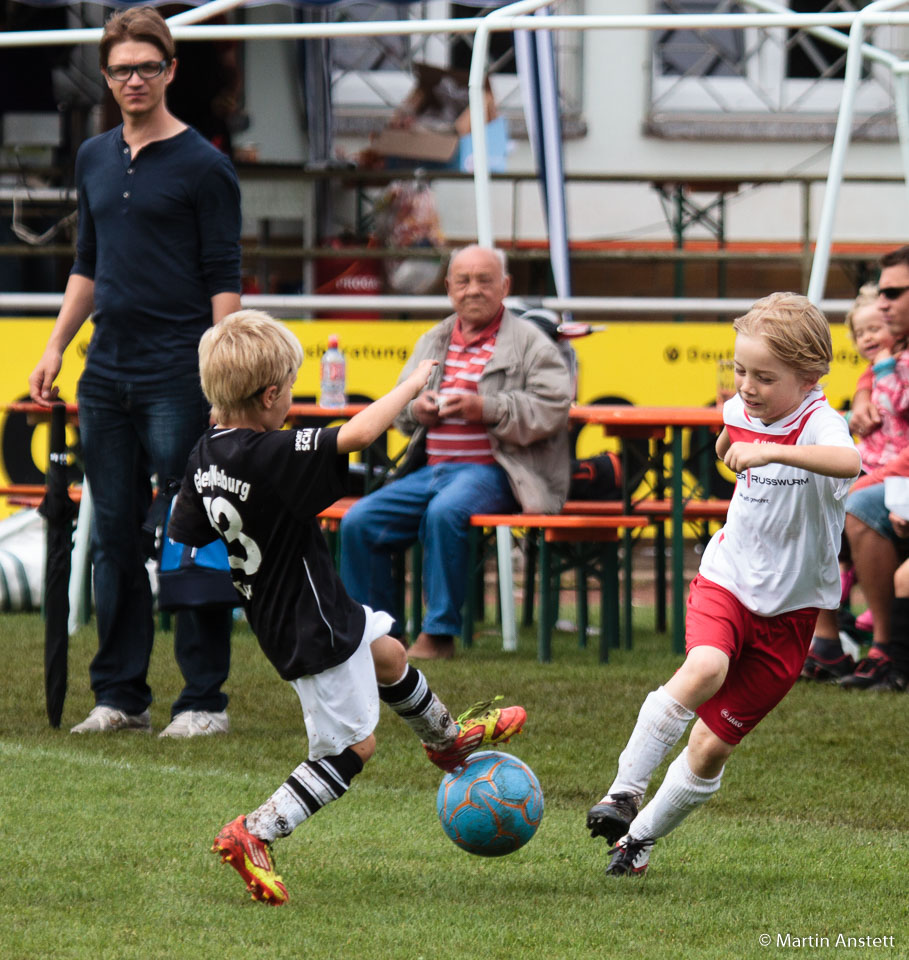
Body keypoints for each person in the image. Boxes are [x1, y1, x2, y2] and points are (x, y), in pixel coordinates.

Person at [167, 310, 527, 905]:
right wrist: (411, 387)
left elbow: (190, 531)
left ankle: (446, 741)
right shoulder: (267, 453)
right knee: (351, 749)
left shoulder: (207, 452)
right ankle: (254, 831)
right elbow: (356, 434)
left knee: (387, 653)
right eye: (288, 389)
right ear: (271, 394)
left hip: (295, 609)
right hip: (312, 623)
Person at [586, 293, 861, 877]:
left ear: (809, 375)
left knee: (710, 748)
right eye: (741, 371)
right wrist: (733, 440)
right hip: (729, 577)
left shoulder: (821, 422)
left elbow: (849, 463)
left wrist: (767, 448)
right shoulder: (743, 408)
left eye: (765, 376)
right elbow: (727, 442)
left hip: (791, 613)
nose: (748, 386)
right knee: (704, 667)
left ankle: (638, 838)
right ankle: (623, 791)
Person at [27, 7, 242, 737]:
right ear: (108, 76)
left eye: (147, 66)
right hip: (104, 373)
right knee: (114, 536)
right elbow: (87, 265)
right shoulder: (92, 157)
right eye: (120, 69)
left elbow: (225, 281)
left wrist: (224, 381)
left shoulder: (207, 166)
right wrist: (57, 346)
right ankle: (119, 695)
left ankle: (203, 699)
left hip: (180, 373)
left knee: (191, 528)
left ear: (170, 70)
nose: (133, 80)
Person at [339, 245, 573, 659]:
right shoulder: (433, 338)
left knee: (445, 511)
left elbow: (553, 408)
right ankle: (380, 636)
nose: (473, 290)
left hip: (499, 472)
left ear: (505, 287)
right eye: (463, 281)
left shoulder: (531, 343)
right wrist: (417, 408)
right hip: (432, 471)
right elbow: (399, 406)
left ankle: (439, 634)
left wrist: (486, 408)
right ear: (449, 288)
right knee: (359, 520)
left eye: (485, 280)